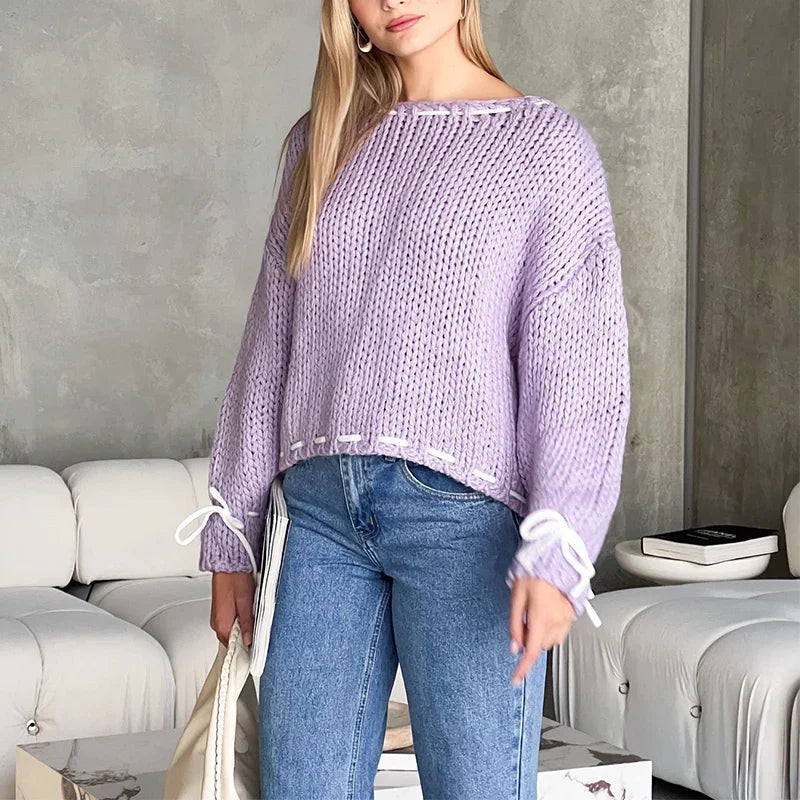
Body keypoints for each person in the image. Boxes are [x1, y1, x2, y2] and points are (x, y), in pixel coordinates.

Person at [175, 0, 631, 797]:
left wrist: (560, 550)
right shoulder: (319, 141)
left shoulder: (545, 149)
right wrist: (230, 534)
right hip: (317, 519)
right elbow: (268, 348)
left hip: (467, 529)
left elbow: (577, 367)